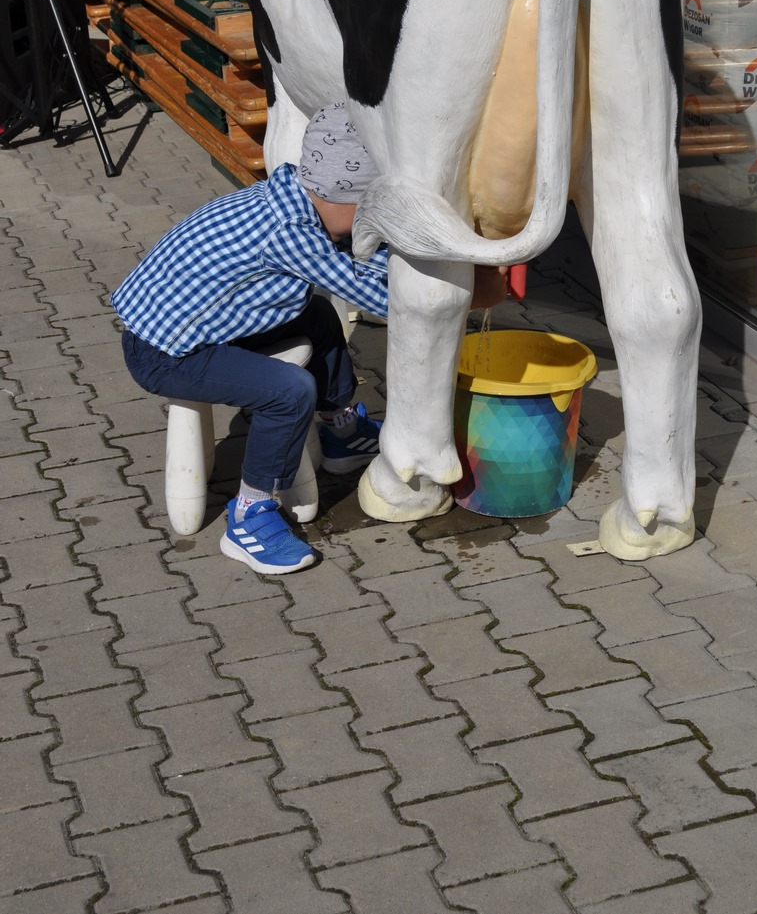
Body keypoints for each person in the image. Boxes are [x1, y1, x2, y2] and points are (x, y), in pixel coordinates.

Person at [113, 102, 507, 577]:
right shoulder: (291, 235)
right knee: (288, 391)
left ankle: (340, 432)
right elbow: (392, 301)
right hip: (165, 353)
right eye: (370, 214)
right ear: (340, 194)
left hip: (187, 325)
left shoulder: (291, 196)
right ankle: (250, 514)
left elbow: (349, 264)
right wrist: (474, 280)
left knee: (317, 313)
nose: (374, 228)